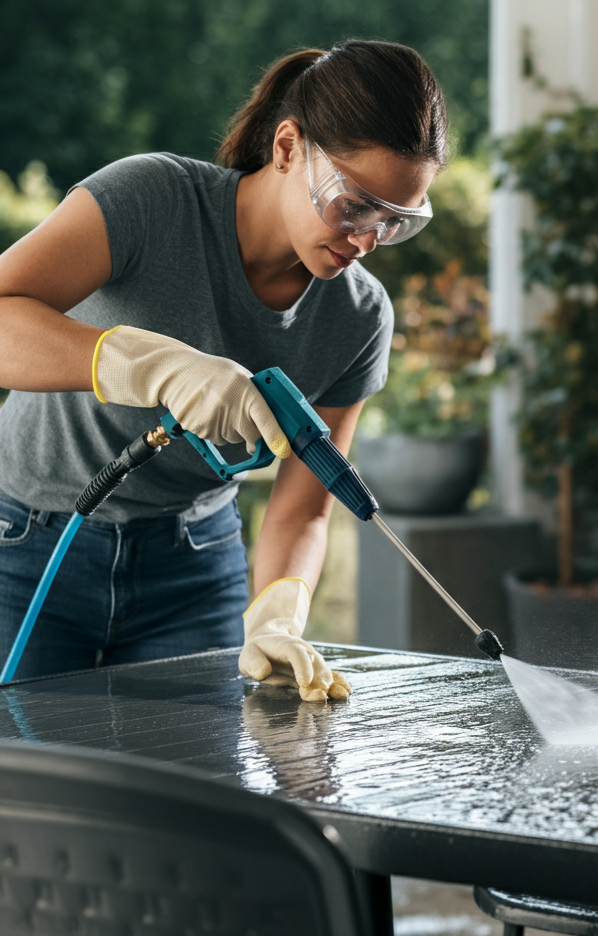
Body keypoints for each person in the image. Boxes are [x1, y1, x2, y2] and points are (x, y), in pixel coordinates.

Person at [0, 40, 447, 700]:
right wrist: (153, 365)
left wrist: (279, 618)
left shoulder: (357, 319)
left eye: (393, 221)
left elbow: (303, 510)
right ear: (289, 147)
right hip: (23, 546)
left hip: (193, 568)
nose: (364, 241)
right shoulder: (151, 200)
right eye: (353, 205)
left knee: (193, 800)